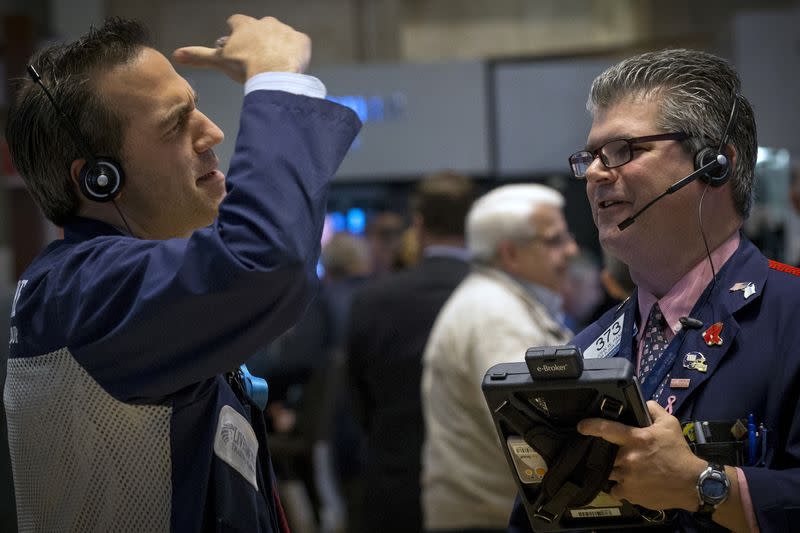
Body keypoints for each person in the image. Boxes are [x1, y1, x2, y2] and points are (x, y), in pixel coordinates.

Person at [4, 14, 360, 532]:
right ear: (101, 179)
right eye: (176, 123)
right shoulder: (79, 292)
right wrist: (277, 77)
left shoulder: (106, 284)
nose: (213, 132)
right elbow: (265, 261)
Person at [509, 49, 798, 532]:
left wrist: (704, 485)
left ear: (714, 165)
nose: (597, 173)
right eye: (592, 157)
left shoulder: (790, 316)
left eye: (623, 150)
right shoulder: (585, 351)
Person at [422, 183, 577, 532]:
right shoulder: (498, 317)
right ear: (510, 254)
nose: (571, 250)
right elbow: (536, 431)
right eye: (554, 240)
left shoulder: (493, 301)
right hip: (489, 521)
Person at [347, 171, 477, 533]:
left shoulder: (371, 300)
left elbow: (358, 401)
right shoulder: (496, 297)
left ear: (418, 226)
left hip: (393, 482)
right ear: (473, 223)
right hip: (473, 490)